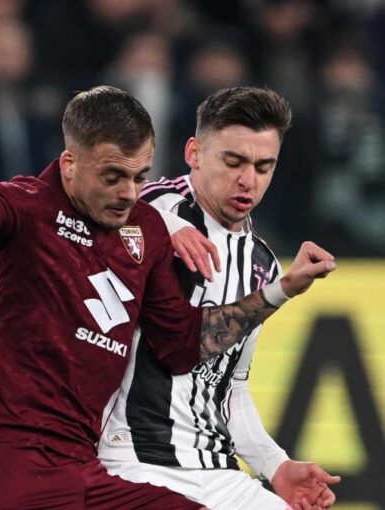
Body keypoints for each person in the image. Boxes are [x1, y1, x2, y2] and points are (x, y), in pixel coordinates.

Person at [0, 86, 335, 509]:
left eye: (139, 178)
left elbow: (189, 351)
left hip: (83, 469)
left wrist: (278, 290)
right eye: (113, 176)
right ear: (70, 164)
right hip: (18, 453)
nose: (128, 193)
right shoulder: (31, 208)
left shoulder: (161, 232)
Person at [98, 87, 340, 510]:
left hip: (217, 469)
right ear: (194, 152)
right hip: (134, 459)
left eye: (264, 167)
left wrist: (276, 466)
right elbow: (90, 205)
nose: (248, 180)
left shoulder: (261, 262)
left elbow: (229, 385)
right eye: (234, 162)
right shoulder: (148, 206)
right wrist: (164, 228)